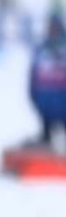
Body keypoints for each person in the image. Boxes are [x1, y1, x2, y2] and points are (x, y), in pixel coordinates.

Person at [30, 12, 66, 150]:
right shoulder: (41, 50)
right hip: (45, 105)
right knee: (47, 137)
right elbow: (33, 76)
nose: (52, 30)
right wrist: (34, 97)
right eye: (50, 27)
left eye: (55, 27)